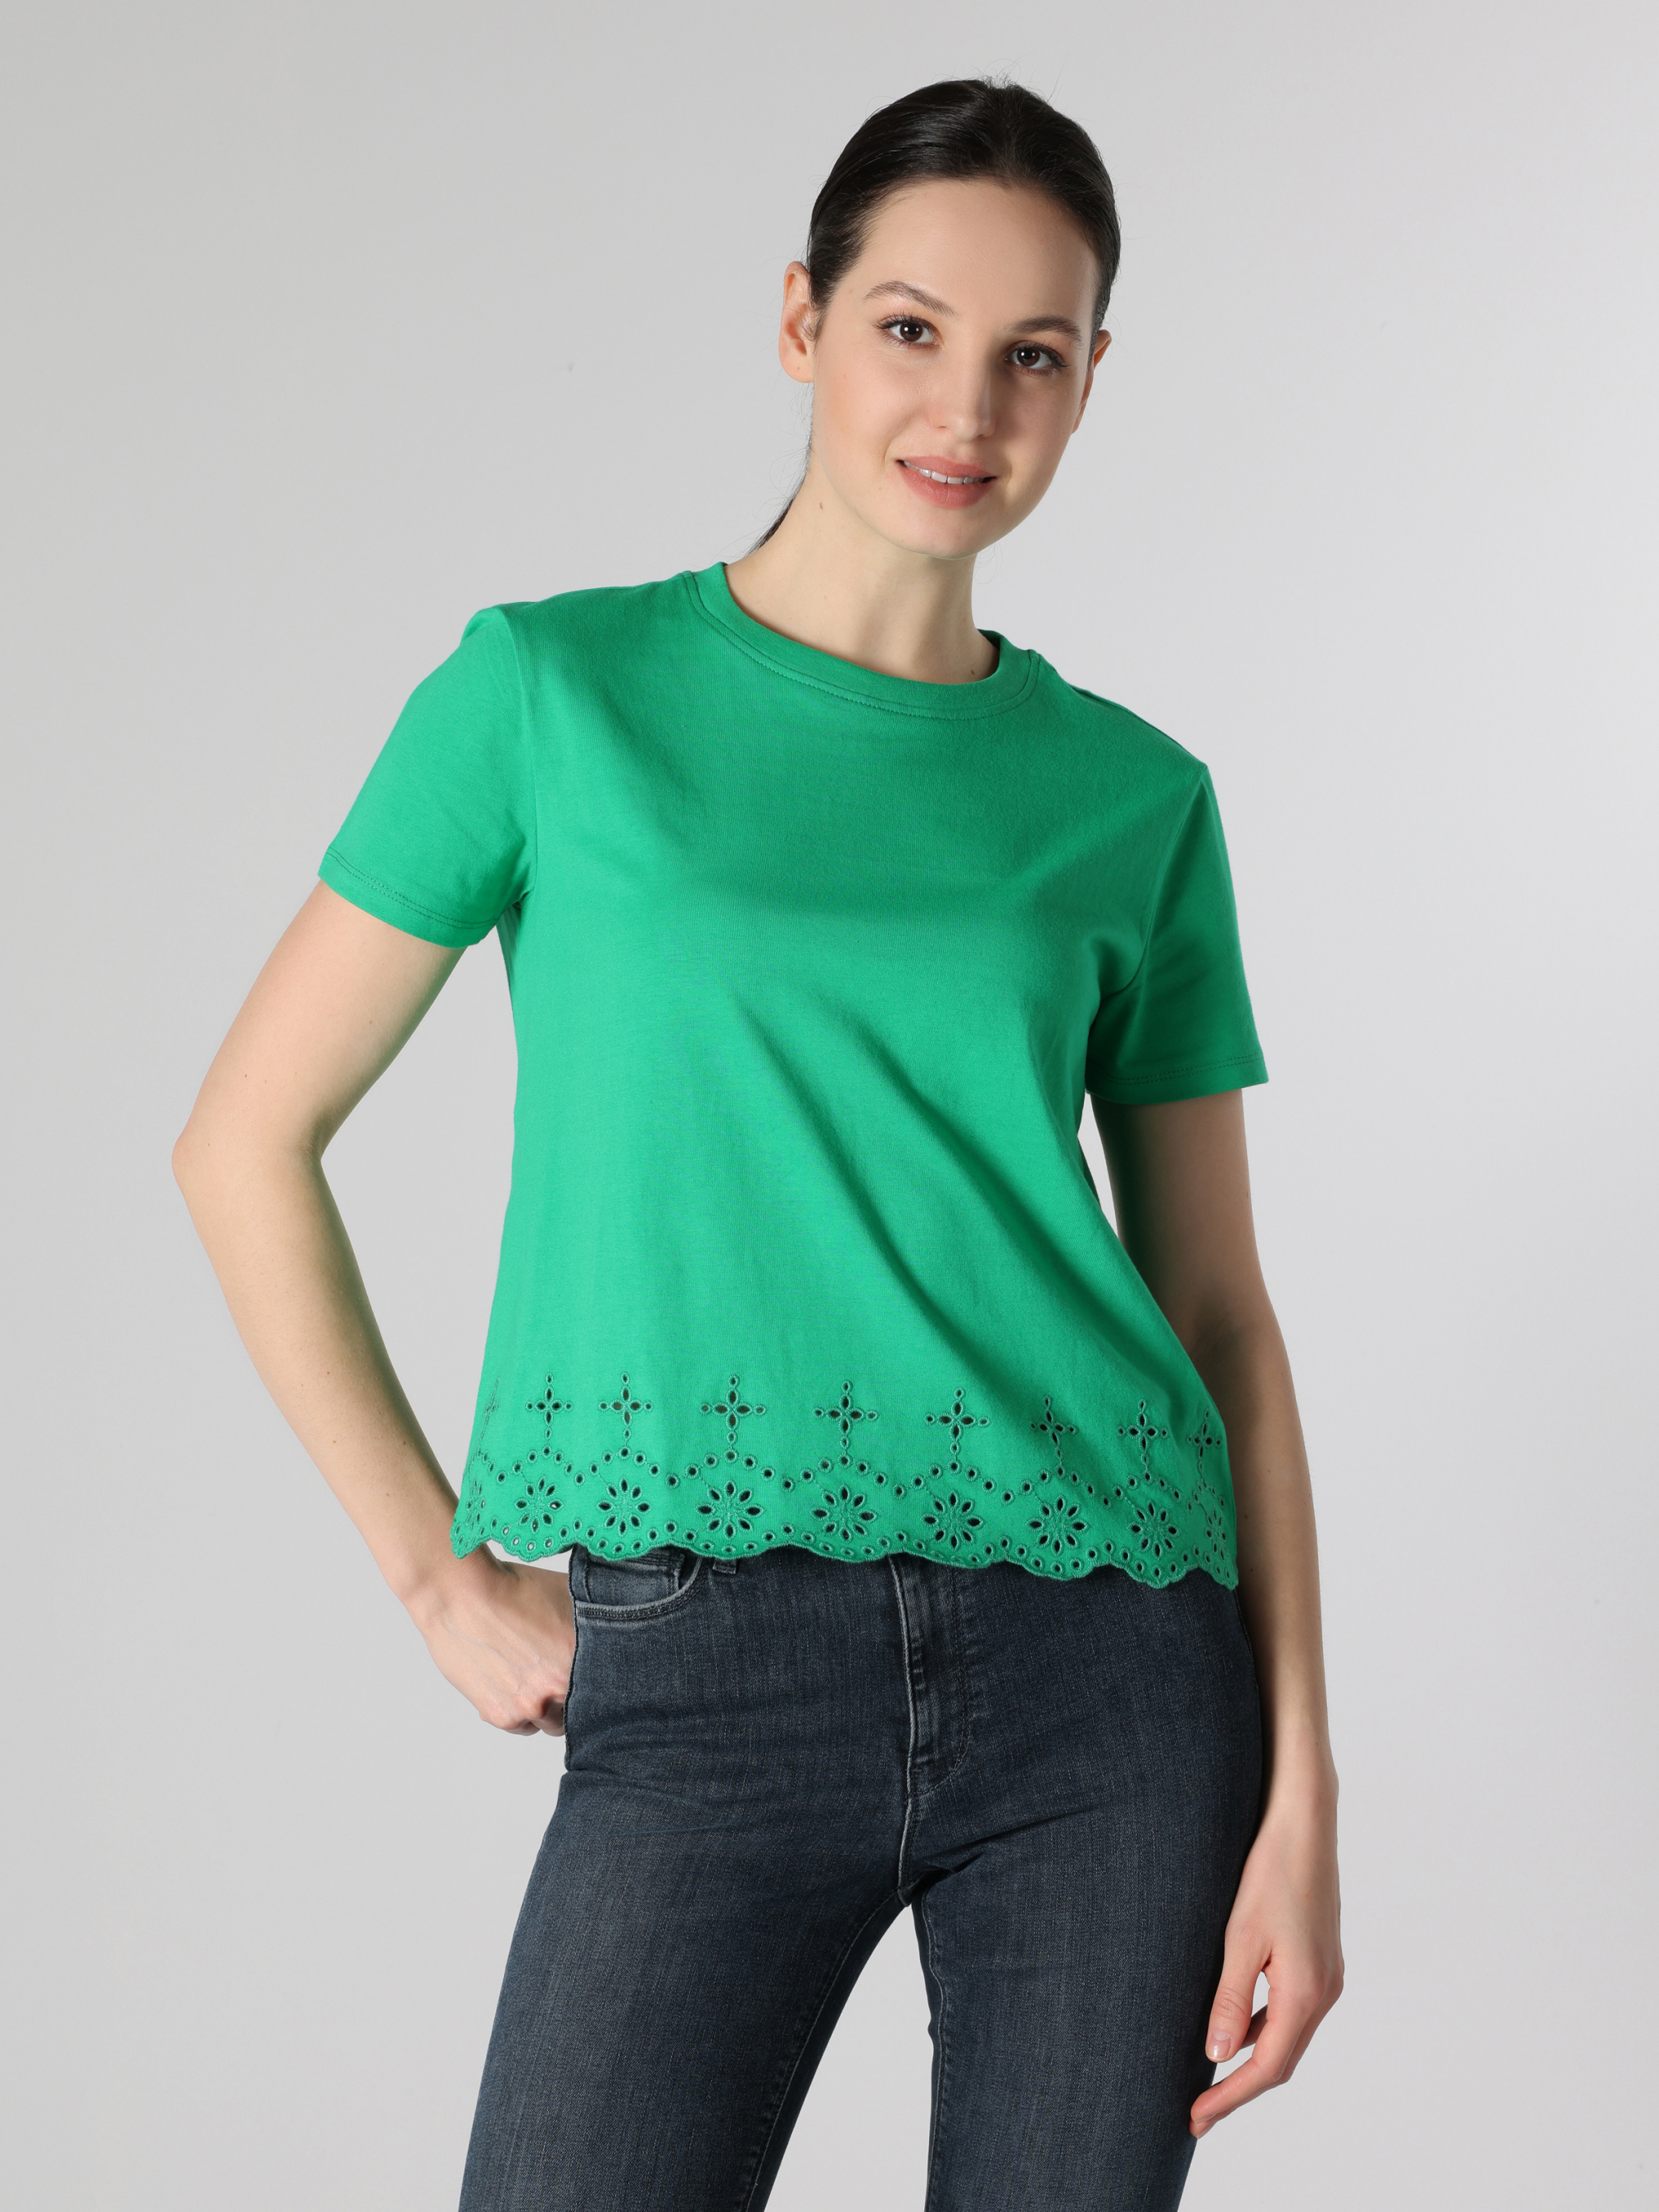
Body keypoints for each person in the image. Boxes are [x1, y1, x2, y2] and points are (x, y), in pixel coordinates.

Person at [174, 75, 1342, 2212]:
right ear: (799, 320)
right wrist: (434, 1568)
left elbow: (1216, 1314)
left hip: (1114, 1679)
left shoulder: (1133, 797)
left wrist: (1303, 1795)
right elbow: (245, 1139)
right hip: (704, 1658)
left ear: (1093, 379)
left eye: (1033, 354)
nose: (965, 407)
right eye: (908, 327)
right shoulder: (550, 695)